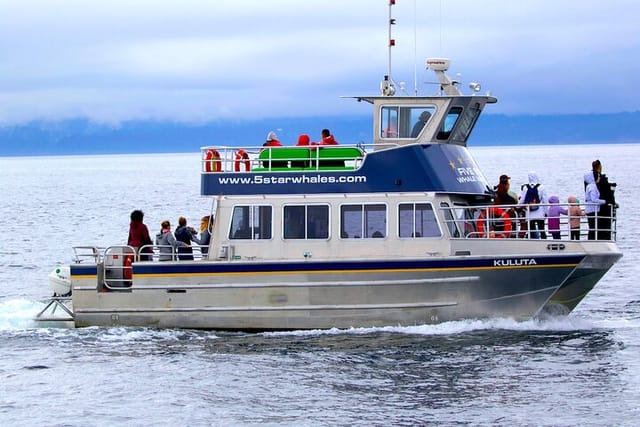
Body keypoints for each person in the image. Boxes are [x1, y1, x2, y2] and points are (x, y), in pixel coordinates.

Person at [592, 160, 617, 240]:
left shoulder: (591, 178)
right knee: (604, 225)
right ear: (599, 167)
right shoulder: (600, 178)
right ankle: (605, 238)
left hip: (595, 207)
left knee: (596, 225)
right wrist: (612, 202)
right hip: (603, 206)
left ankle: (596, 237)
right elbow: (607, 191)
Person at [519, 172, 548, 239]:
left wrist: (518, 206)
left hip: (529, 213)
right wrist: (546, 212)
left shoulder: (525, 187)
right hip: (540, 213)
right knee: (542, 230)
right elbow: (545, 201)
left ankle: (533, 243)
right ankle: (544, 241)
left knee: (531, 230)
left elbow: (522, 200)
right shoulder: (541, 187)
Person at [584, 171, 606, 240]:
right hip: (592, 210)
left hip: (590, 209)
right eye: (598, 176)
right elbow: (594, 199)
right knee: (593, 227)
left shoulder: (589, 186)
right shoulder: (592, 187)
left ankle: (591, 239)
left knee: (592, 227)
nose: (599, 178)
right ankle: (592, 240)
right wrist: (604, 201)